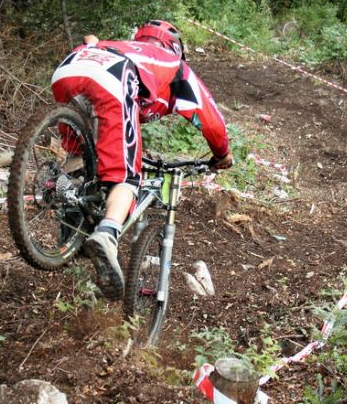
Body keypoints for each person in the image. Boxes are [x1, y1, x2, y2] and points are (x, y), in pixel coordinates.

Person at [50, 20, 233, 300]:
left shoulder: (125, 46)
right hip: (115, 76)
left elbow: (89, 40)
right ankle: (107, 233)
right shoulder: (176, 66)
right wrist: (222, 154)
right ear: (175, 48)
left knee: (80, 152)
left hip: (69, 69)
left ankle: (69, 220)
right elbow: (212, 120)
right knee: (126, 175)